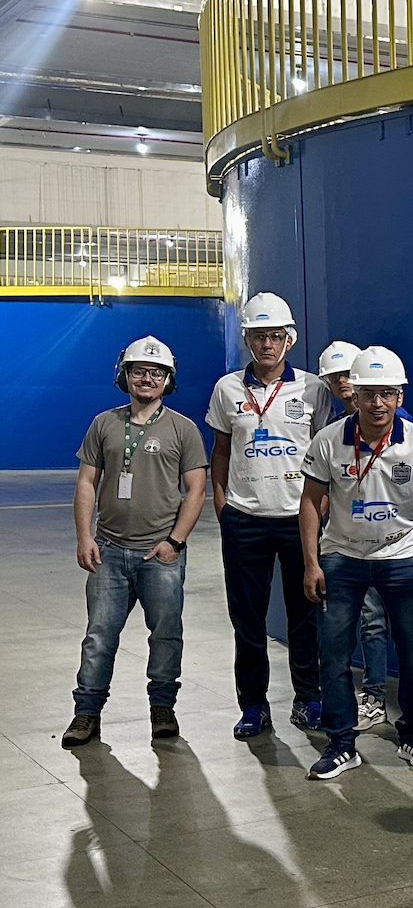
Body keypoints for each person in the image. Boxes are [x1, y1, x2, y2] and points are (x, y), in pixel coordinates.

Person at [298, 346, 413, 779]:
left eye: (387, 393)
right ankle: (341, 743)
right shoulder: (328, 441)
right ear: (353, 394)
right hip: (342, 556)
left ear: (399, 396)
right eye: (369, 394)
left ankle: (412, 735)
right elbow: (310, 502)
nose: (378, 403)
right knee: (333, 654)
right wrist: (311, 563)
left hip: (402, 555)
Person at [63, 336, 208, 748]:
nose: (147, 378)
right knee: (99, 637)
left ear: (168, 380)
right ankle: (86, 713)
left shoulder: (183, 429)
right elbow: (86, 483)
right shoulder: (104, 424)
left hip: (159, 554)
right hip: (108, 551)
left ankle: (162, 707)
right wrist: (84, 537)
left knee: (166, 634)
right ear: (124, 375)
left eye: (156, 372)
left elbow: (196, 490)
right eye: (139, 371)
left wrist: (174, 543)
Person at [207, 293, 333, 739]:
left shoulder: (313, 389)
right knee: (248, 619)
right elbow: (221, 451)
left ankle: (308, 698)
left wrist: (320, 508)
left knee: (305, 615)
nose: (267, 344)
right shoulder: (227, 389)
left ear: (289, 340)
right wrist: (222, 504)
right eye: (259, 336)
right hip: (245, 519)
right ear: (247, 339)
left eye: (275, 336)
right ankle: (254, 705)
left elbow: (326, 454)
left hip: (299, 518)